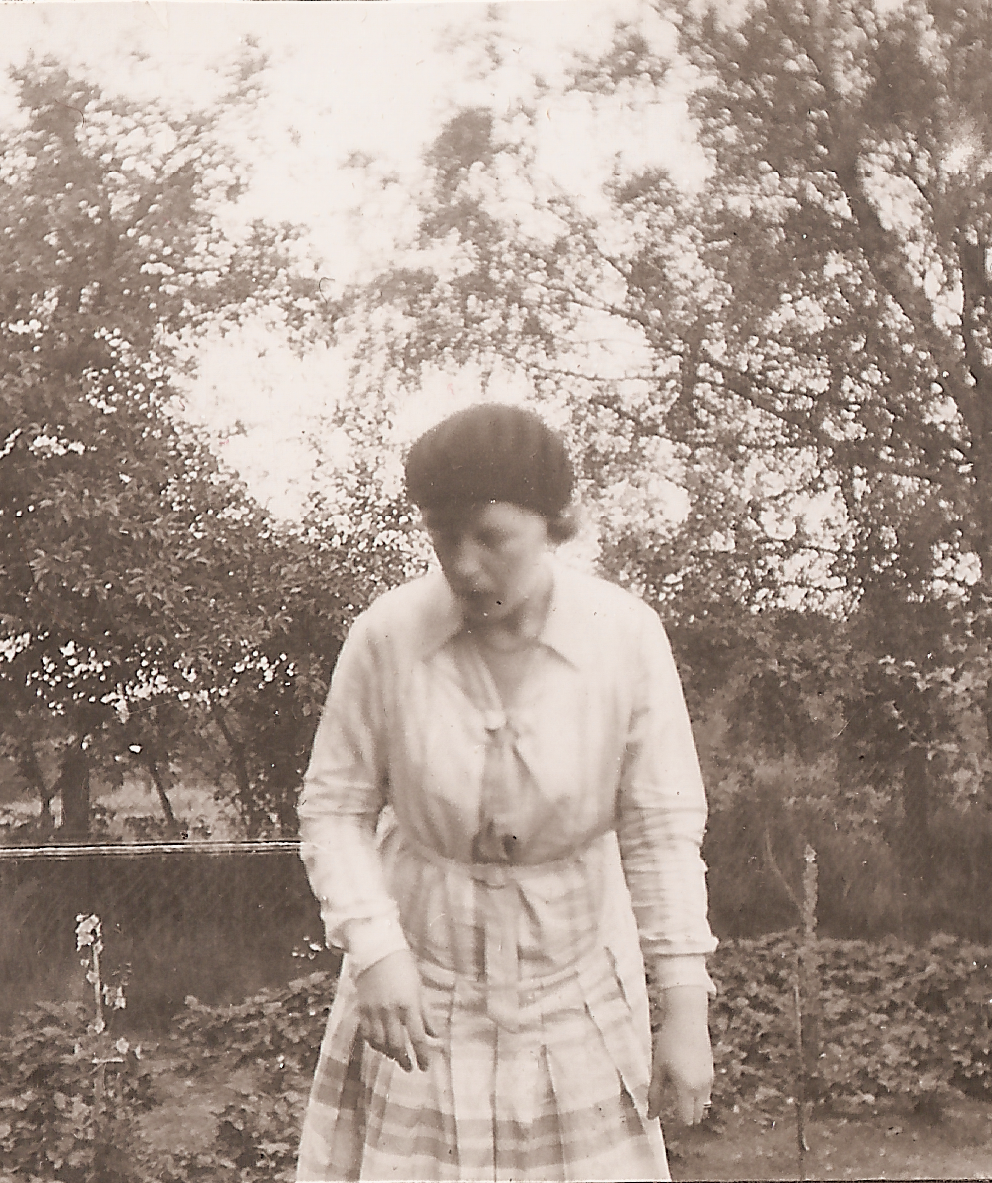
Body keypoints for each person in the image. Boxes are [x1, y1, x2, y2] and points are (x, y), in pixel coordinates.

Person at [294, 403, 717, 1182]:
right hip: (419, 995)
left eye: (491, 537)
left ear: (555, 523)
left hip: (576, 989)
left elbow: (660, 831)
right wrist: (376, 951)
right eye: (442, 534)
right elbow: (334, 810)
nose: (463, 563)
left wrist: (684, 1012)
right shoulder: (386, 637)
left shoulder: (623, 637)